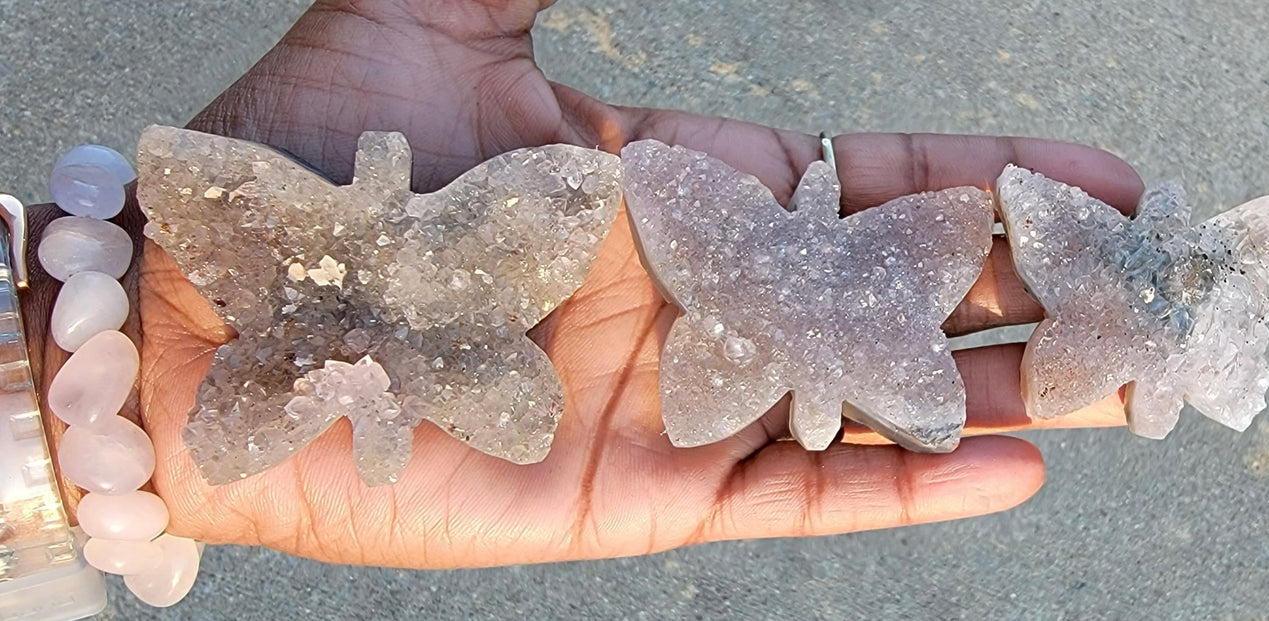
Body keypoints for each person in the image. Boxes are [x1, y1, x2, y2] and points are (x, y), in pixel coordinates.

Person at [34, 0, 1142, 569]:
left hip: (713, 360)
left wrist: (65, 351)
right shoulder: (549, 221)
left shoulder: (665, 253)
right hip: (308, 387)